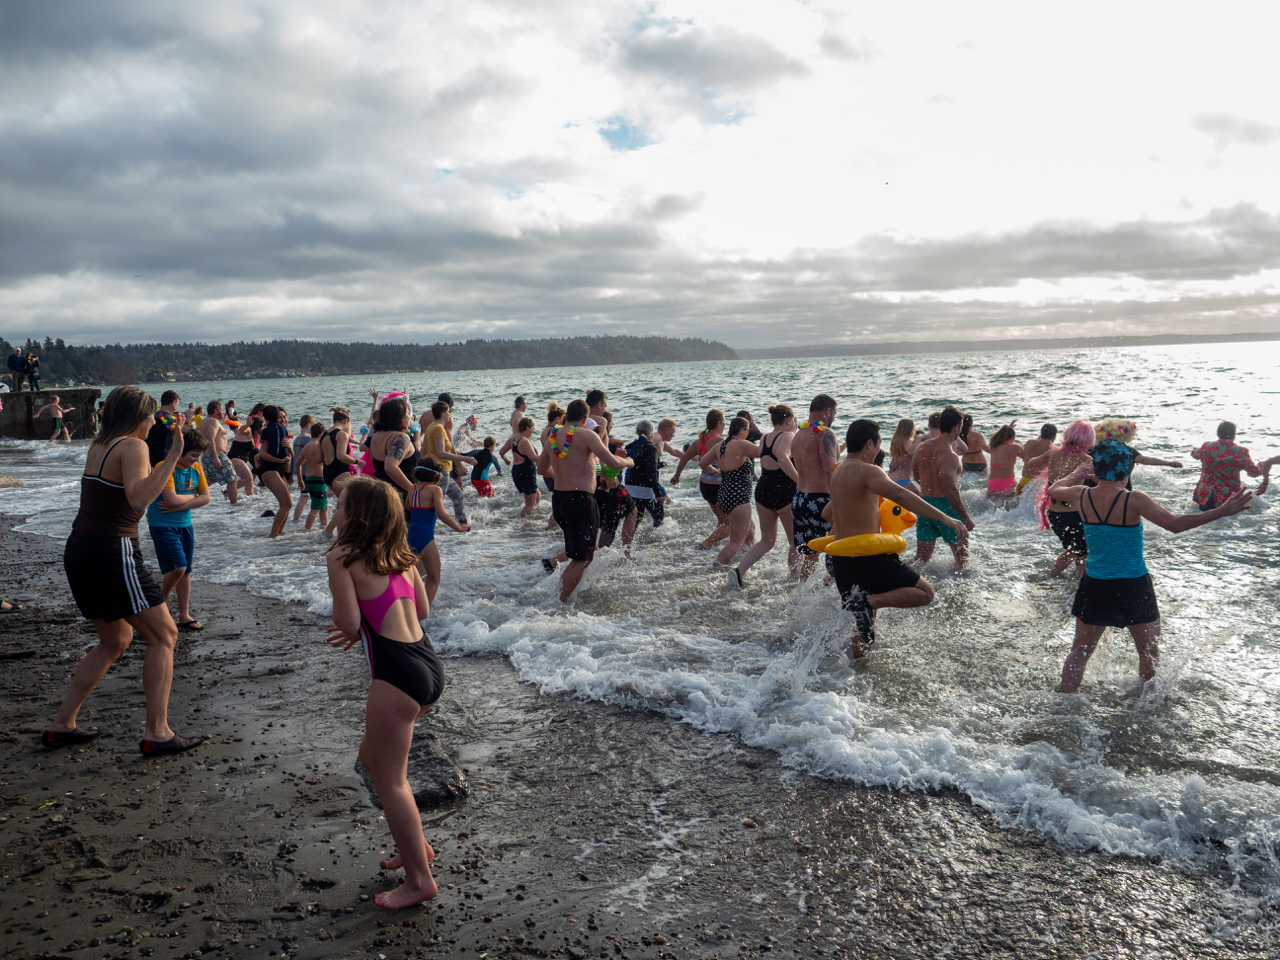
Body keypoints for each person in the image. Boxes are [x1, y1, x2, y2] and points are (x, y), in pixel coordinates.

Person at [44, 385, 203, 755]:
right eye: (150, 416)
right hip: (111, 549)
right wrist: (173, 457)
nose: (153, 422)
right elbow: (139, 498)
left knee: (116, 639)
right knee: (164, 635)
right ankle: (157, 733)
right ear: (136, 417)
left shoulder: (100, 444)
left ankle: (62, 724)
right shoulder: (133, 446)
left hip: (80, 547)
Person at [1048, 440, 1253, 693]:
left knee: (1080, 650)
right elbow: (1174, 524)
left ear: (1096, 468)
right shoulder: (1134, 499)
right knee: (1148, 652)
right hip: (1133, 585)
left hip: (1095, 584)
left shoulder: (1081, 494)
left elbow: (1054, 489)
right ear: (1126, 470)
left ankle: (1064, 699)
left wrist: (1076, 475)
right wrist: (1220, 512)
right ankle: (1144, 703)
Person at [324, 477, 442, 910]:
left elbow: (349, 622)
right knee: (373, 760)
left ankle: (418, 881)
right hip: (427, 665)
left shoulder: (342, 555)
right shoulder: (404, 557)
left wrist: (354, 625)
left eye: (339, 506)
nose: (333, 513)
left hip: (395, 676)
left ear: (356, 517)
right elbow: (421, 610)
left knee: (391, 782)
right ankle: (418, 848)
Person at [823, 419, 969, 657]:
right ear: (869, 444)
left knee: (864, 622)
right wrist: (945, 518)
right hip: (867, 558)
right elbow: (901, 495)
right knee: (925, 593)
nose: (879, 451)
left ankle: (860, 672)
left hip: (842, 558)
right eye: (879, 445)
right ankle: (870, 602)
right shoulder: (868, 470)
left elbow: (829, 514)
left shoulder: (839, 472)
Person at [537, 399, 633, 602]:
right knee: (583, 558)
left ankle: (568, 591)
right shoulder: (586, 435)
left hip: (560, 500)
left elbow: (541, 469)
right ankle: (558, 602)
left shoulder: (552, 436)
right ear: (584, 418)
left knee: (584, 550)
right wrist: (629, 461)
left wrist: (564, 475)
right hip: (580, 500)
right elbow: (613, 462)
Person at [146, 427, 211, 632]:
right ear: (180, 451)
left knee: (186, 572)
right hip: (162, 524)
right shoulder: (164, 466)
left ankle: (183, 615)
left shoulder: (196, 469)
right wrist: (193, 497)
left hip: (185, 524)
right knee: (178, 568)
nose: (196, 459)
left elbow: (206, 498)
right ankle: (157, 607)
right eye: (193, 455)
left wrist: (183, 502)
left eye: (198, 456)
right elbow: (170, 499)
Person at [731, 405, 800, 586]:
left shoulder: (765, 438)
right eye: (793, 421)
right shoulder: (788, 435)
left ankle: (738, 571)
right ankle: (794, 581)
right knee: (795, 542)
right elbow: (783, 457)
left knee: (767, 540)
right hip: (783, 491)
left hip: (763, 490)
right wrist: (799, 481)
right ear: (788, 420)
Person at [1025, 420, 1095, 577]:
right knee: (1082, 553)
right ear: (1088, 440)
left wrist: (1050, 469)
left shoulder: (1053, 453)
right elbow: (1105, 483)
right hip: (1074, 515)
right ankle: (1076, 587)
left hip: (1055, 514)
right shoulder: (1087, 461)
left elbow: (1030, 464)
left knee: (1074, 550)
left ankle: (1052, 576)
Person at [911, 406, 974, 570]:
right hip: (946, 506)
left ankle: (894, 577)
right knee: (962, 562)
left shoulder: (922, 448)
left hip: (924, 505)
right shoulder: (950, 455)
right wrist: (965, 517)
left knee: (920, 559)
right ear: (956, 428)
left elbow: (916, 475)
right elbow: (949, 486)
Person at [407, 458, 471, 605]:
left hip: (411, 536)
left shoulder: (413, 488)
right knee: (434, 579)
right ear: (437, 476)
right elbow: (441, 514)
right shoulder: (435, 490)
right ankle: (422, 614)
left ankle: (412, 606)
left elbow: (408, 506)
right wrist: (459, 528)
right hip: (425, 536)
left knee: (415, 578)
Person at [790, 394, 840, 580]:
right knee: (841, 545)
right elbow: (829, 470)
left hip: (800, 500)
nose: (834, 417)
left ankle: (803, 594)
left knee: (811, 556)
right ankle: (832, 587)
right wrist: (841, 498)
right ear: (827, 412)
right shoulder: (825, 433)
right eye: (834, 413)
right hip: (820, 500)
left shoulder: (799, 434)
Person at [671, 409, 731, 548]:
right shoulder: (721, 441)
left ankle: (715, 544)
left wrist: (677, 476)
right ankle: (705, 544)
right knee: (729, 524)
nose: (724, 427)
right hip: (717, 488)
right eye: (724, 424)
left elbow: (684, 458)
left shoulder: (699, 442)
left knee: (722, 521)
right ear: (719, 423)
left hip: (705, 487)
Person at [1191, 421, 1278, 510]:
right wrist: (1263, 464)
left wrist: (1194, 450)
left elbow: (1195, 454)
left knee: (1204, 520)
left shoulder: (1207, 446)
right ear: (1234, 435)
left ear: (1218, 434)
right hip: (1227, 498)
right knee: (1225, 522)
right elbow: (1254, 473)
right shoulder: (1239, 451)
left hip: (1205, 495)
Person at [422, 400, 473, 524]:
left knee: (458, 495)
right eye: (448, 412)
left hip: (442, 472)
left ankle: (463, 525)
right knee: (435, 504)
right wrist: (464, 458)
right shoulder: (438, 429)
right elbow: (441, 453)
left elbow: (423, 451)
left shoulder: (431, 427)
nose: (449, 415)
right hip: (441, 471)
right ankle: (427, 528)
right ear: (442, 413)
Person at [255, 405, 294, 538]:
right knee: (286, 504)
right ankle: (272, 536)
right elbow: (261, 454)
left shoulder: (282, 432)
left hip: (280, 471)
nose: (283, 419)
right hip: (270, 470)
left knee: (288, 505)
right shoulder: (277, 432)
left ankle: (278, 535)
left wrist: (288, 473)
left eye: (284, 417)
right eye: (280, 417)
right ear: (276, 418)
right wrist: (281, 461)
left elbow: (290, 456)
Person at [369, 396, 418, 498]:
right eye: (407, 413)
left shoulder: (376, 435)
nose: (409, 416)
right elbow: (390, 467)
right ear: (401, 418)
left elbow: (375, 460)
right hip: (398, 496)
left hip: (379, 492)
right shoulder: (401, 438)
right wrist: (413, 491)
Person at [624, 421, 666, 528]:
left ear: (637, 432)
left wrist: (659, 464)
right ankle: (655, 540)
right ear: (651, 433)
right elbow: (652, 471)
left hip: (631, 486)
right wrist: (658, 493)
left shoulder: (632, 446)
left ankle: (628, 542)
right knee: (659, 516)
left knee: (636, 518)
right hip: (644, 489)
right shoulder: (651, 448)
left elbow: (639, 464)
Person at [297, 423, 331, 531]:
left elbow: (297, 464)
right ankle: (307, 530)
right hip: (318, 480)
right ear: (321, 435)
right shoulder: (320, 446)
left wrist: (300, 480)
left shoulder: (306, 446)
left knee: (324, 505)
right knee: (316, 507)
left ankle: (324, 528)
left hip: (309, 479)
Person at [510, 417, 541, 517]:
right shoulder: (524, 441)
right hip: (526, 472)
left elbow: (501, 451)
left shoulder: (514, 439)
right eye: (533, 427)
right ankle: (522, 523)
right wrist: (548, 456)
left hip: (517, 470)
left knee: (537, 496)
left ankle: (531, 516)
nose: (534, 430)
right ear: (527, 428)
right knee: (529, 504)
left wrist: (506, 460)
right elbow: (533, 457)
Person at [146, 390, 183, 466]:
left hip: (147, 459)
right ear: (173, 403)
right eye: (177, 404)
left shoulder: (151, 416)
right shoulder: (173, 421)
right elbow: (177, 443)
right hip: (163, 462)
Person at [986, 423, 1023, 497]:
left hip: (992, 482)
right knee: (1015, 502)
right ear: (1013, 437)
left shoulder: (993, 446)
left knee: (989, 505)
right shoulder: (1015, 447)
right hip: (1009, 482)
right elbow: (1028, 459)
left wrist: (1008, 429)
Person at [1019, 424, 1058, 491]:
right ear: (1054, 437)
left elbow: (1024, 459)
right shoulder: (1052, 448)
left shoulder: (1029, 442)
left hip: (1024, 481)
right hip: (1039, 484)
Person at [886, 418, 921, 492]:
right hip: (903, 480)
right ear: (910, 429)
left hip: (891, 478)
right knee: (921, 500)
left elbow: (897, 457)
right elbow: (913, 451)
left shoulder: (896, 441)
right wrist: (919, 437)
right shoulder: (907, 441)